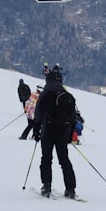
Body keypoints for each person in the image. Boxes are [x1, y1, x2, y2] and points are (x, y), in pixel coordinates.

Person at [33, 67, 77, 198]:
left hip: (48, 130)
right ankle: (70, 189)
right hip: (63, 132)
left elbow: (38, 114)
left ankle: (46, 186)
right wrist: (70, 136)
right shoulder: (66, 95)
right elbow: (73, 118)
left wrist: (36, 132)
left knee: (46, 159)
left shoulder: (45, 93)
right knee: (64, 160)